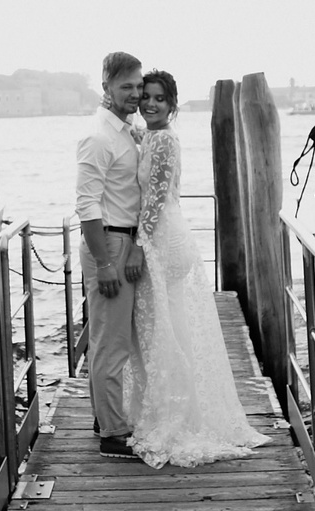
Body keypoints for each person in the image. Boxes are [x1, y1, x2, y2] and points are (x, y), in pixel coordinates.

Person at [126, 71, 268, 467]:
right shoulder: (154, 136)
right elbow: (147, 156)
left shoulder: (166, 138)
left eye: (158, 99)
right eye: (146, 98)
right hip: (163, 234)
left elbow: (154, 197)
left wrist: (139, 246)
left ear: (173, 104)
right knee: (165, 327)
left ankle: (176, 416)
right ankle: (169, 407)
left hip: (161, 240)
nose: (150, 104)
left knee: (162, 330)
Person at [75, 51, 146, 456]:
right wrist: (104, 262)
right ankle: (113, 435)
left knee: (114, 339)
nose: (135, 94)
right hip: (109, 242)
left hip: (124, 240)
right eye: (126, 87)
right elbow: (87, 206)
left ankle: (107, 418)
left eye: (138, 86)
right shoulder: (98, 135)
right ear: (105, 87)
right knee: (110, 342)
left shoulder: (125, 128)